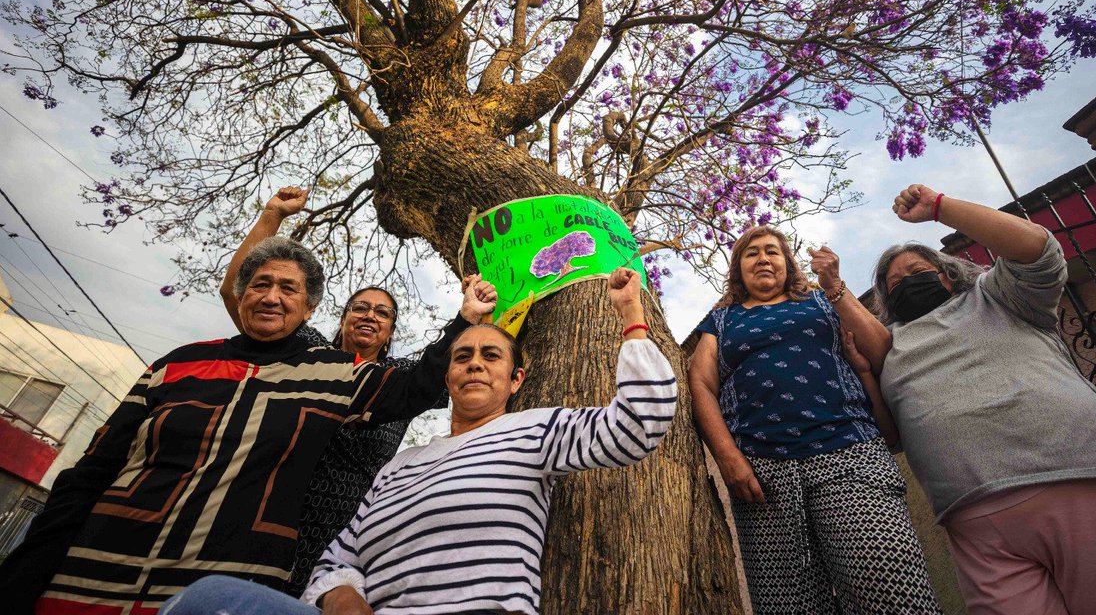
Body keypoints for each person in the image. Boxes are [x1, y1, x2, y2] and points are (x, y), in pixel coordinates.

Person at [0, 236, 496, 615]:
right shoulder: (178, 363)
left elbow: (425, 384)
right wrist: (26, 572)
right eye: (260, 284)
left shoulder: (338, 375)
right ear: (242, 298)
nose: (272, 296)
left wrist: (467, 317)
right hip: (91, 578)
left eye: (288, 288)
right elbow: (91, 471)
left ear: (308, 307)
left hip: (236, 579)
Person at [158, 267, 677, 615]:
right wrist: (345, 599)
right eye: (462, 356)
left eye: (491, 356)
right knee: (206, 600)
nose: (474, 362)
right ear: (445, 379)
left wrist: (631, 316)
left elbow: (639, 423)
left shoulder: (536, 430)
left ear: (516, 381)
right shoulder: (399, 466)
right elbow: (338, 557)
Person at [865, 183, 1096, 615]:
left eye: (915, 271)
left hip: (1083, 478)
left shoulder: (998, 297)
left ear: (945, 275)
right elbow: (892, 431)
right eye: (896, 284)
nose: (906, 283)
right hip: (974, 520)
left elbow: (1036, 248)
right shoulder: (892, 347)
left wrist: (940, 207)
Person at [217, 186, 485, 596]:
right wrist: (272, 215)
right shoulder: (307, 350)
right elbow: (237, 294)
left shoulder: (404, 379)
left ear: (391, 330)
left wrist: (472, 307)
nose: (369, 316)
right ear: (341, 319)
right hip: (262, 508)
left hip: (342, 532)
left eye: (382, 313)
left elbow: (465, 366)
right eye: (360, 307)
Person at [689, 226, 939, 614]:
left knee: (891, 589)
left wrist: (836, 285)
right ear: (738, 269)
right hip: (761, 476)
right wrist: (727, 458)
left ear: (788, 264)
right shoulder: (720, 322)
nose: (762, 258)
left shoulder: (823, 302)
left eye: (772, 251)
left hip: (851, 455)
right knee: (789, 605)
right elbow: (701, 385)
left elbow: (880, 351)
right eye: (751, 253)